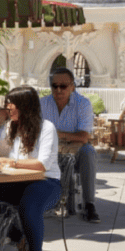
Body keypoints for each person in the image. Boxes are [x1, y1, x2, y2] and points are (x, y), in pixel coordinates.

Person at [0, 86, 60, 251]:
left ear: (24, 106)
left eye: (10, 103)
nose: (7, 107)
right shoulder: (12, 127)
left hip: (46, 182)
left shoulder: (46, 128)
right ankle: (18, 236)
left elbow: (42, 164)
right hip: (17, 181)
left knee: (29, 206)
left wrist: (11, 164)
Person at [39, 67, 100, 223]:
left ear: (73, 86)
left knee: (88, 152)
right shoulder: (42, 104)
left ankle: (89, 204)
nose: (58, 90)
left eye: (63, 86)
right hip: (50, 150)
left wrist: (55, 133)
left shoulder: (83, 104)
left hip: (76, 150)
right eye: (55, 86)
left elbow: (84, 137)